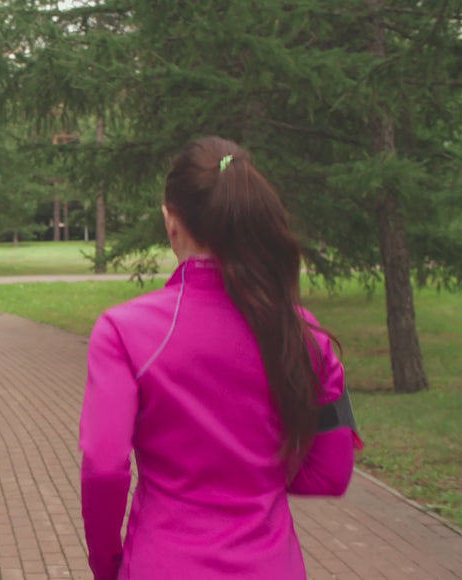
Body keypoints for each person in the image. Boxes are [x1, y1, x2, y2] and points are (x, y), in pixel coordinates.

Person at [79, 136, 361, 579]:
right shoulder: (305, 333)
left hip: (163, 563)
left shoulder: (124, 332)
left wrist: (105, 564)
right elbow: (331, 472)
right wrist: (252, 480)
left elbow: (102, 467)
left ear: (171, 221)